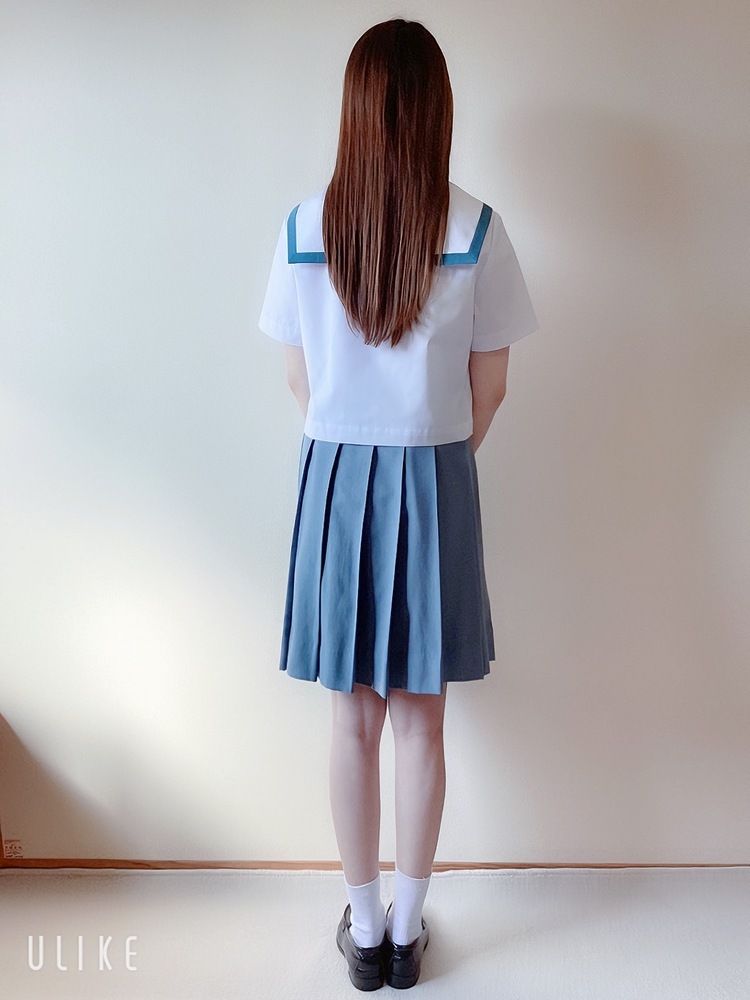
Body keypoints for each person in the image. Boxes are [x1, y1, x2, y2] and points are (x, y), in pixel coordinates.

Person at [259, 18, 539, 991]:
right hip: (435, 473)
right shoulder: (476, 229)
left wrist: (355, 440)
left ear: (354, 110)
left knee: (353, 722)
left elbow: (298, 381)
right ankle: (409, 932)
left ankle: (366, 926)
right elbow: (489, 389)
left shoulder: (303, 227)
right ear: (437, 112)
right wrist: (434, 463)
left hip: (336, 478)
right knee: (422, 721)